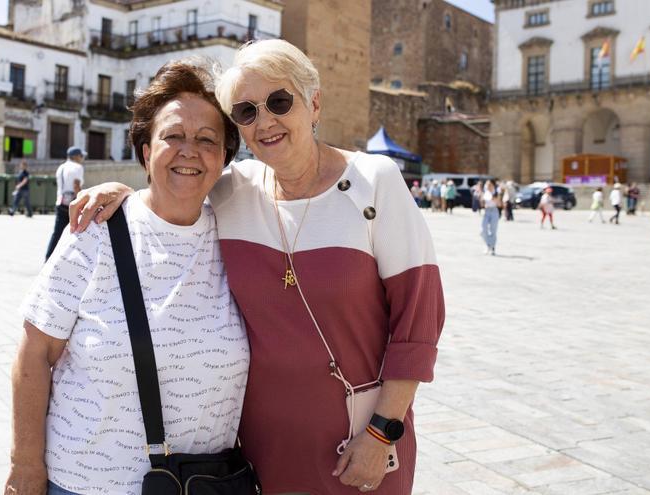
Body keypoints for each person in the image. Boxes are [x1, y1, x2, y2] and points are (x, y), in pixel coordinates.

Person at [69, 39, 445, 495]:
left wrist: (382, 431)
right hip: (262, 453)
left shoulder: (375, 183)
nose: (264, 121)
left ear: (314, 103)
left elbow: (418, 324)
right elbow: (176, 183)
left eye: (279, 102)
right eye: (246, 112)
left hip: (362, 441)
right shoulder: (235, 191)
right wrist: (120, 192)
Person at [6, 62, 248, 495]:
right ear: (145, 151)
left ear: (224, 159)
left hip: (202, 485)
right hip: (85, 485)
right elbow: (34, 353)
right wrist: (25, 466)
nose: (189, 150)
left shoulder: (240, 234)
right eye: (172, 136)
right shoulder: (95, 230)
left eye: (207, 139)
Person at [44, 147, 85, 260]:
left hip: (60, 202)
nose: (82, 158)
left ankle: (48, 258)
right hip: (72, 204)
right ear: (75, 156)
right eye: (81, 156)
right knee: (78, 232)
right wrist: (83, 200)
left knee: (57, 233)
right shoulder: (77, 167)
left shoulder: (61, 167)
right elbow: (76, 186)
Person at [480, 180, 500, 255]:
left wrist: (492, 198)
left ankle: (492, 247)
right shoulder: (485, 193)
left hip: (494, 211)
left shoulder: (496, 192)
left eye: (489, 185)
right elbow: (482, 204)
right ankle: (488, 244)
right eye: (487, 184)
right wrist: (481, 198)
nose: (488, 186)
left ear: (493, 185)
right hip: (487, 211)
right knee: (483, 229)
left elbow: (499, 204)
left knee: (493, 230)